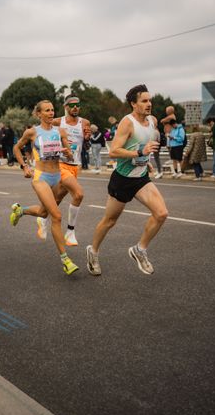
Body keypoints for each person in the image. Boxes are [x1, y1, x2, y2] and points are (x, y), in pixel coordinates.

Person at [86, 84, 168, 277]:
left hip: (140, 177)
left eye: (150, 100)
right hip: (122, 179)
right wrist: (140, 152)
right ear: (133, 104)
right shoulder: (127, 122)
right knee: (109, 221)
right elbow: (113, 151)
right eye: (144, 101)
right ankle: (93, 252)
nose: (149, 104)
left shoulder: (153, 121)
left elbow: (144, 145)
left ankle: (140, 250)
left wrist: (145, 160)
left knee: (161, 213)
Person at [9, 100, 79, 276]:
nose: (50, 113)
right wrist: (24, 167)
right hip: (41, 177)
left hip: (57, 176)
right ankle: (66, 260)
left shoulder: (60, 131)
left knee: (43, 212)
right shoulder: (32, 132)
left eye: (52, 110)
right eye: (46, 111)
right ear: (38, 114)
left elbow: (69, 153)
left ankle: (20, 210)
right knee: (56, 216)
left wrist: (67, 152)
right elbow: (16, 148)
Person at [34, 95, 91, 247]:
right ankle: (70, 232)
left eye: (78, 105)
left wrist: (87, 139)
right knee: (78, 194)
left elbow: (86, 148)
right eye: (72, 105)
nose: (75, 108)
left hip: (75, 166)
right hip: (60, 165)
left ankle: (42, 218)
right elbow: (44, 134)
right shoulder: (58, 122)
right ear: (65, 107)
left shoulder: (85, 123)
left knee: (56, 200)